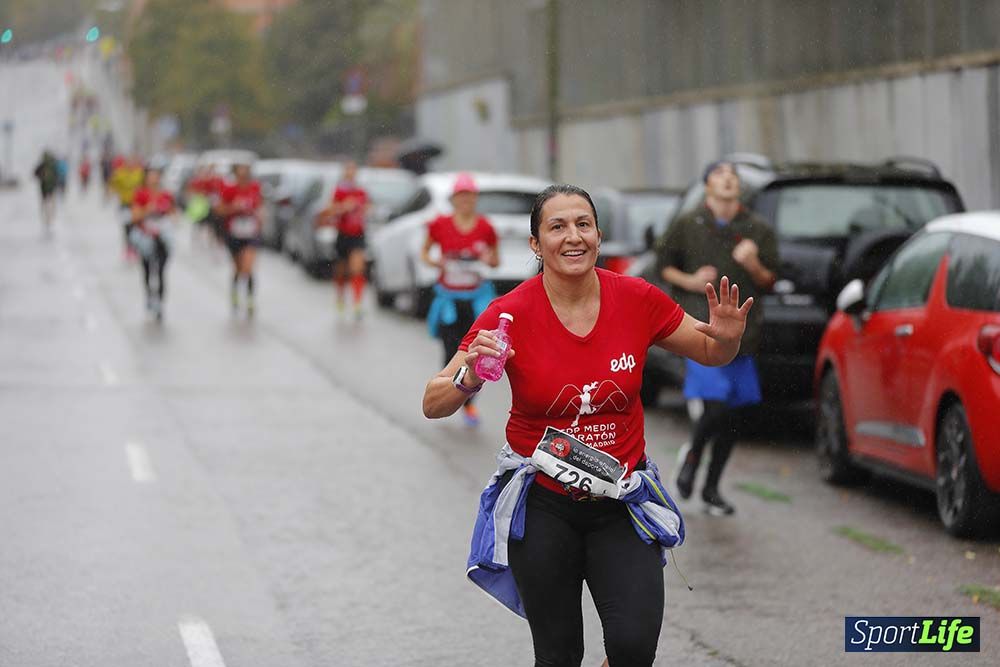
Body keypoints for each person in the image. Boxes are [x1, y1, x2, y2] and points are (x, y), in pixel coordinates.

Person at [422, 184, 754, 666]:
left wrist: (726, 339)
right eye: (557, 226)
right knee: (559, 656)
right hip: (543, 508)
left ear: (598, 235)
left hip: (620, 502)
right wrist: (469, 374)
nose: (572, 236)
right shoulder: (508, 314)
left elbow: (710, 350)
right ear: (536, 244)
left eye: (583, 224)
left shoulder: (636, 298)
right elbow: (433, 401)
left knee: (633, 649)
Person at [655, 160, 778, 516]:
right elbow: (663, 263)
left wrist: (753, 264)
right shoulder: (688, 223)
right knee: (716, 406)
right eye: (720, 175)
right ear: (707, 185)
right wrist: (690, 281)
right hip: (700, 330)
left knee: (735, 416)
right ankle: (693, 456)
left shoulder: (757, 229)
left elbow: (771, 280)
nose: (728, 179)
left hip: (743, 334)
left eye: (733, 176)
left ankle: (711, 489)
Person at [421, 173, 499, 427]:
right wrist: (439, 262)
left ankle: (470, 405)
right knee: (450, 351)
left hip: (476, 299)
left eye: (470, 196)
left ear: (475, 199)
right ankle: (449, 397)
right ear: (453, 199)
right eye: (461, 196)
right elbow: (425, 253)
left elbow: (495, 261)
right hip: (448, 299)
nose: (466, 201)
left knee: (477, 355)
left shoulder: (485, 227)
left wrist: (485, 260)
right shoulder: (440, 225)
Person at [319, 161, 370, 316]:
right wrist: (343, 207)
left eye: (353, 170)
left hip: (358, 235)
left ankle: (357, 303)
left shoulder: (361, 192)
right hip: (343, 234)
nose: (351, 173)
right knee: (341, 270)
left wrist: (364, 211)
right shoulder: (339, 191)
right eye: (348, 170)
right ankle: (341, 297)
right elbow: (328, 211)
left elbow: (368, 208)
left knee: (357, 269)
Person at [129, 166, 176, 321]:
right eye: (151, 176)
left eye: (156, 176)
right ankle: (149, 297)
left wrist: (169, 216)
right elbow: (134, 216)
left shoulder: (166, 195)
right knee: (148, 271)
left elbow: (174, 215)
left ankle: (160, 303)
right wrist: (148, 210)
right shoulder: (140, 194)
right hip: (146, 238)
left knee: (162, 272)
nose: (154, 179)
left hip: (163, 238)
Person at [218, 162, 262, 316]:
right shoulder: (230, 190)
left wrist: (260, 217)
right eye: (240, 175)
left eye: (246, 174)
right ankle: (235, 294)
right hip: (234, 233)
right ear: (236, 175)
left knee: (248, 267)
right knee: (237, 268)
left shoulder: (255, 188)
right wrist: (234, 208)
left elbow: (260, 206)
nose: (243, 177)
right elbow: (220, 210)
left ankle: (250, 299)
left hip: (250, 233)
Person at [110, 155, 145, 261]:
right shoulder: (120, 173)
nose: (131, 164)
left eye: (133, 161)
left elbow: (145, 185)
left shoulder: (139, 173)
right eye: (129, 162)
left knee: (137, 227)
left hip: (137, 205)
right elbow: (113, 184)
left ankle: (136, 248)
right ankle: (128, 248)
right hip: (125, 204)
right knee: (126, 228)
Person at [33, 150, 58, 231]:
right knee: (49, 204)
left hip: (44, 189)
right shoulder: (52, 165)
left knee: (45, 204)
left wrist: (41, 177)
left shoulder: (42, 165)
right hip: (50, 189)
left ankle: (46, 218)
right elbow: (57, 175)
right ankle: (48, 218)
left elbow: (34, 173)